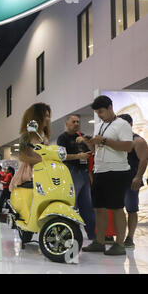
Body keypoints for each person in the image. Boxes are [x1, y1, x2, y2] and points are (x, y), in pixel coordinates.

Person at [81, 96, 133, 256]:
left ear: (110, 107)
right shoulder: (99, 125)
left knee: (117, 208)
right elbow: (97, 149)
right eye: (97, 113)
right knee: (99, 208)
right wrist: (89, 143)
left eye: (101, 111)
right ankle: (100, 241)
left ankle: (120, 244)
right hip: (99, 171)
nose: (100, 115)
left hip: (117, 171)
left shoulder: (122, 124)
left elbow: (128, 146)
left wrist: (104, 141)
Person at [57, 114, 96, 240]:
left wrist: (86, 141)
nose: (76, 123)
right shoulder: (62, 138)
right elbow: (62, 156)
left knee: (87, 206)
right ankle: (68, 233)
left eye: (78, 121)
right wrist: (78, 156)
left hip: (84, 173)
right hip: (71, 172)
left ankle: (92, 235)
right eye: (73, 121)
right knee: (71, 205)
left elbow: (92, 150)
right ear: (67, 123)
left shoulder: (82, 136)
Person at [118, 114, 147, 249]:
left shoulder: (138, 141)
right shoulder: (119, 140)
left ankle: (130, 238)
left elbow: (144, 160)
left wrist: (138, 177)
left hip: (131, 180)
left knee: (131, 209)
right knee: (118, 209)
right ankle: (120, 236)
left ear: (130, 124)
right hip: (119, 179)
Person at [9, 103, 51, 191]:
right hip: (30, 173)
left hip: (44, 170)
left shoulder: (44, 135)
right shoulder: (27, 135)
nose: (48, 119)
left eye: (48, 116)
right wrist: (41, 161)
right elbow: (22, 156)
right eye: (45, 116)